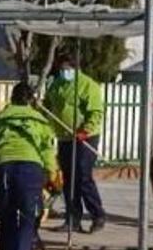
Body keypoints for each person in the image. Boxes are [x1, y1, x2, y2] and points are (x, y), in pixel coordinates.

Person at [0, 81, 58, 250]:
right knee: (28, 220)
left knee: (7, 219)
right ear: (32, 100)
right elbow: (46, 149)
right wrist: (52, 173)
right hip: (29, 168)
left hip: (3, 168)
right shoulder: (39, 120)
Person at [43, 51, 106, 233]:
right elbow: (49, 105)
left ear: (74, 67)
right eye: (61, 68)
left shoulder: (88, 85)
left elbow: (96, 112)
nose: (63, 71)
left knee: (83, 176)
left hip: (85, 137)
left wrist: (85, 129)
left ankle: (98, 215)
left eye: (66, 68)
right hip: (64, 137)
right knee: (68, 179)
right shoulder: (56, 84)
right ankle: (73, 218)